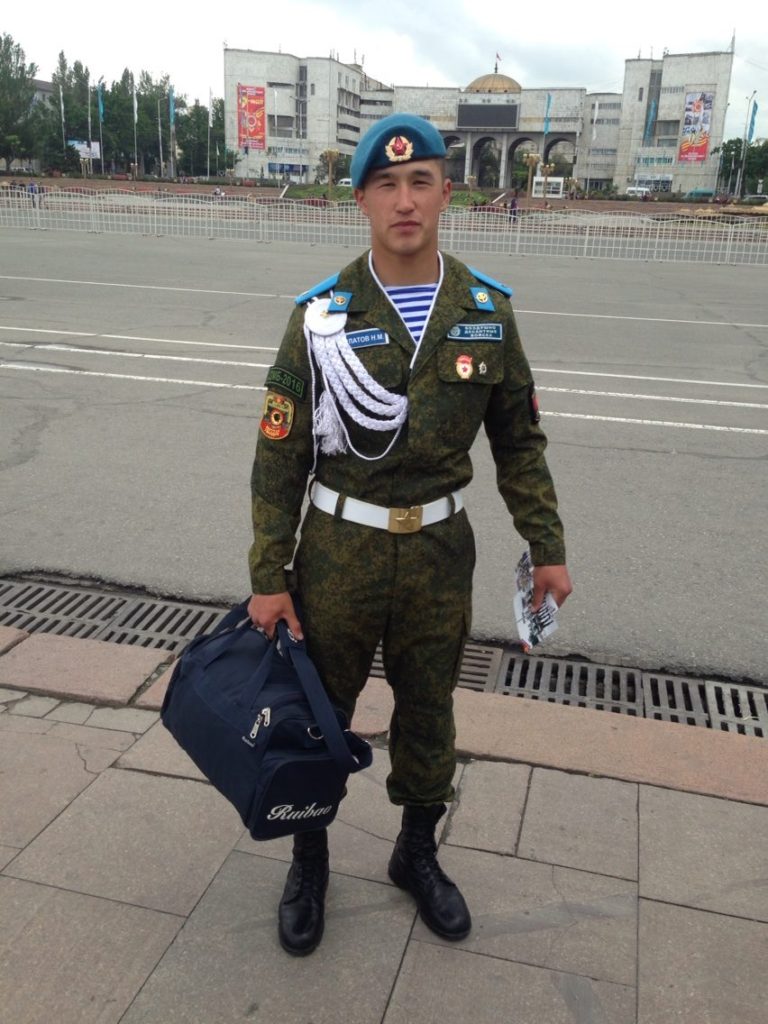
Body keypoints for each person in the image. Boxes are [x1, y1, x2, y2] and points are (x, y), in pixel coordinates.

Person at [247, 112, 572, 957]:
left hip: (437, 552)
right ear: (360, 199)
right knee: (317, 715)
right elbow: (279, 455)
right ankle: (309, 859)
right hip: (338, 552)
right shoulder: (321, 315)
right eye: (386, 184)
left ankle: (416, 853)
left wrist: (547, 548)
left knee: (431, 709)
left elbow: (519, 442)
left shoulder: (485, 311)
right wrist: (268, 575)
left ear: (445, 193)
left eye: (419, 182)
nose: (404, 200)